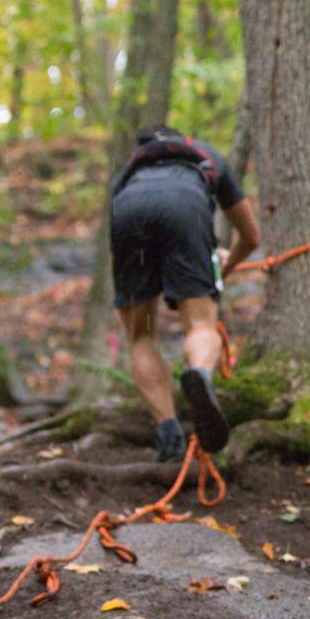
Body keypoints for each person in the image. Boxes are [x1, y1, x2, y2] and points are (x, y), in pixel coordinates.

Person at [110, 125, 260, 460]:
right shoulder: (207, 158)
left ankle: (168, 434)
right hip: (186, 204)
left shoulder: (128, 172)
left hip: (127, 208)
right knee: (202, 325)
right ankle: (199, 375)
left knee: (140, 335)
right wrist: (226, 265)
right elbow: (251, 237)